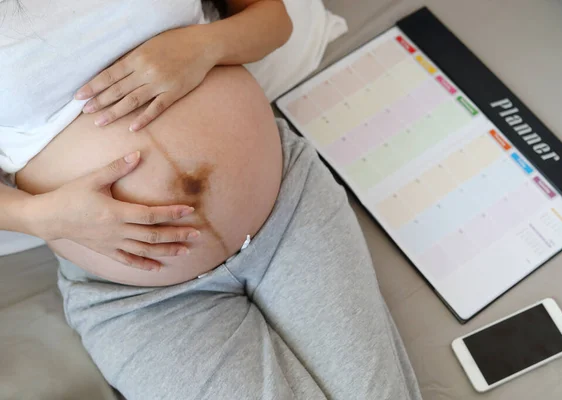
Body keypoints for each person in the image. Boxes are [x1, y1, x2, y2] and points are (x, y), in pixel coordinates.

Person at [0, 0, 422, 399]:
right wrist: (42, 217)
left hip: (287, 211)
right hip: (137, 296)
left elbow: (273, 20)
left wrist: (205, 44)